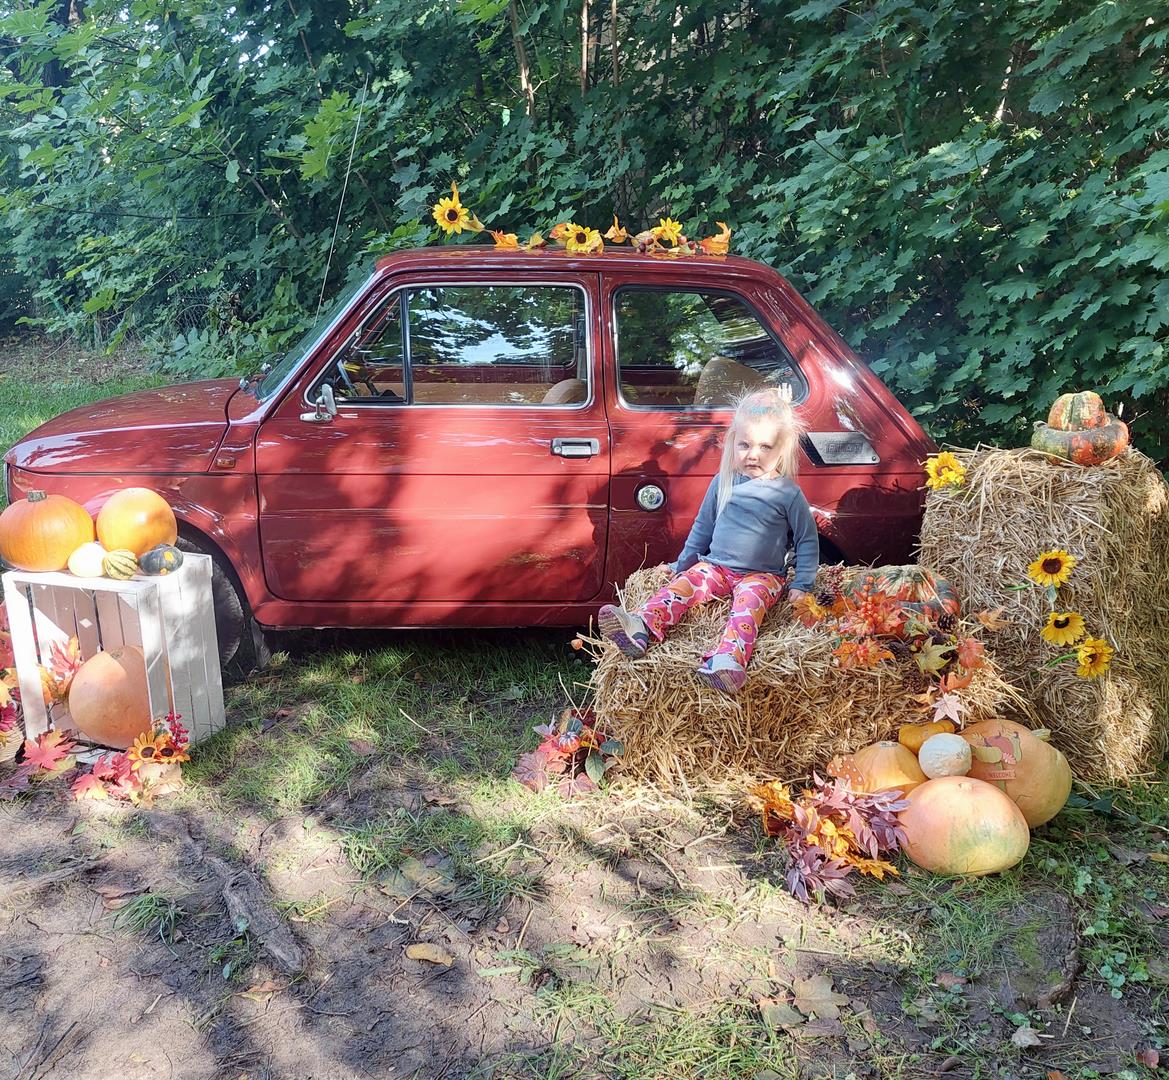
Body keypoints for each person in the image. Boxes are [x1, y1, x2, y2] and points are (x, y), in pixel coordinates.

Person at [598, 386, 819, 694]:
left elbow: (807, 540)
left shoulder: (787, 493)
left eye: (765, 447)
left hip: (762, 576)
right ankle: (641, 626)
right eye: (744, 445)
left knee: (747, 607)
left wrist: (802, 584)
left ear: (782, 449)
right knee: (684, 586)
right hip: (716, 568)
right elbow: (702, 530)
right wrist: (680, 567)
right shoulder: (723, 482)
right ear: (733, 443)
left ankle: (728, 659)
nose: (753, 454)